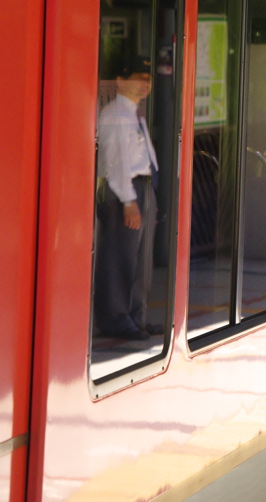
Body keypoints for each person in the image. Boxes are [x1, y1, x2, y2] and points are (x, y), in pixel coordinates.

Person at [93, 56, 162, 340]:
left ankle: (135, 316)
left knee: (140, 261)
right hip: (124, 190)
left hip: (141, 188)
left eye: (149, 79)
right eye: (139, 77)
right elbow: (115, 162)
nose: (146, 84)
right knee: (119, 258)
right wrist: (129, 201)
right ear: (120, 81)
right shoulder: (115, 114)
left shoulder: (133, 113)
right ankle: (115, 319)